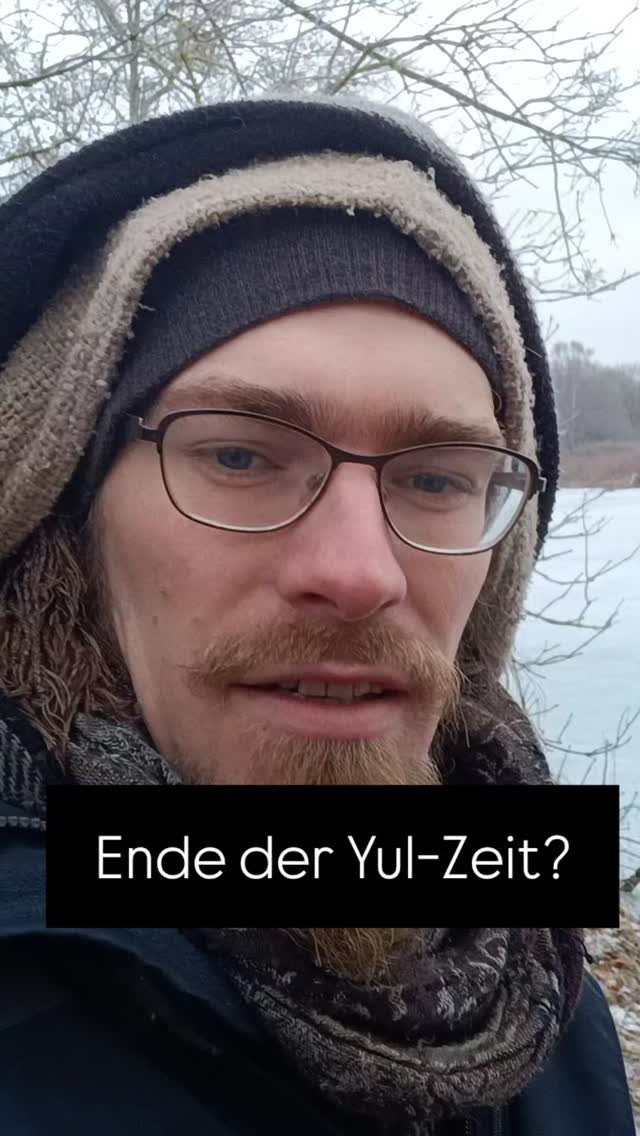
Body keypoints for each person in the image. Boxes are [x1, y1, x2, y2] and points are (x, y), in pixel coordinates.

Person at [0, 94, 634, 1135]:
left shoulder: (538, 986)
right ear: (66, 515)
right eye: (238, 454)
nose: (358, 573)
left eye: (435, 477)